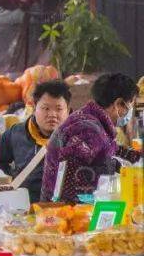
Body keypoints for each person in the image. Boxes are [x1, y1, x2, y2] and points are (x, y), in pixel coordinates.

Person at [41, 72, 138, 203]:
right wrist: (124, 169)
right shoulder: (89, 129)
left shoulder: (92, 120)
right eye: (130, 103)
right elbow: (79, 168)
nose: (130, 110)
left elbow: (111, 149)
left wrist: (137, 158)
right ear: (119, 104)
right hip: (64, 213)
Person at [0, 78, 71, 202]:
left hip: (64, 209)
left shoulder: (77, 138)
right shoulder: (16, 133)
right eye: (45, 108)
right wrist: (13, 177)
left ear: (68, 110)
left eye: (59, 109)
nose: (52, 114)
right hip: (23, 207)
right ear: (34, 108)